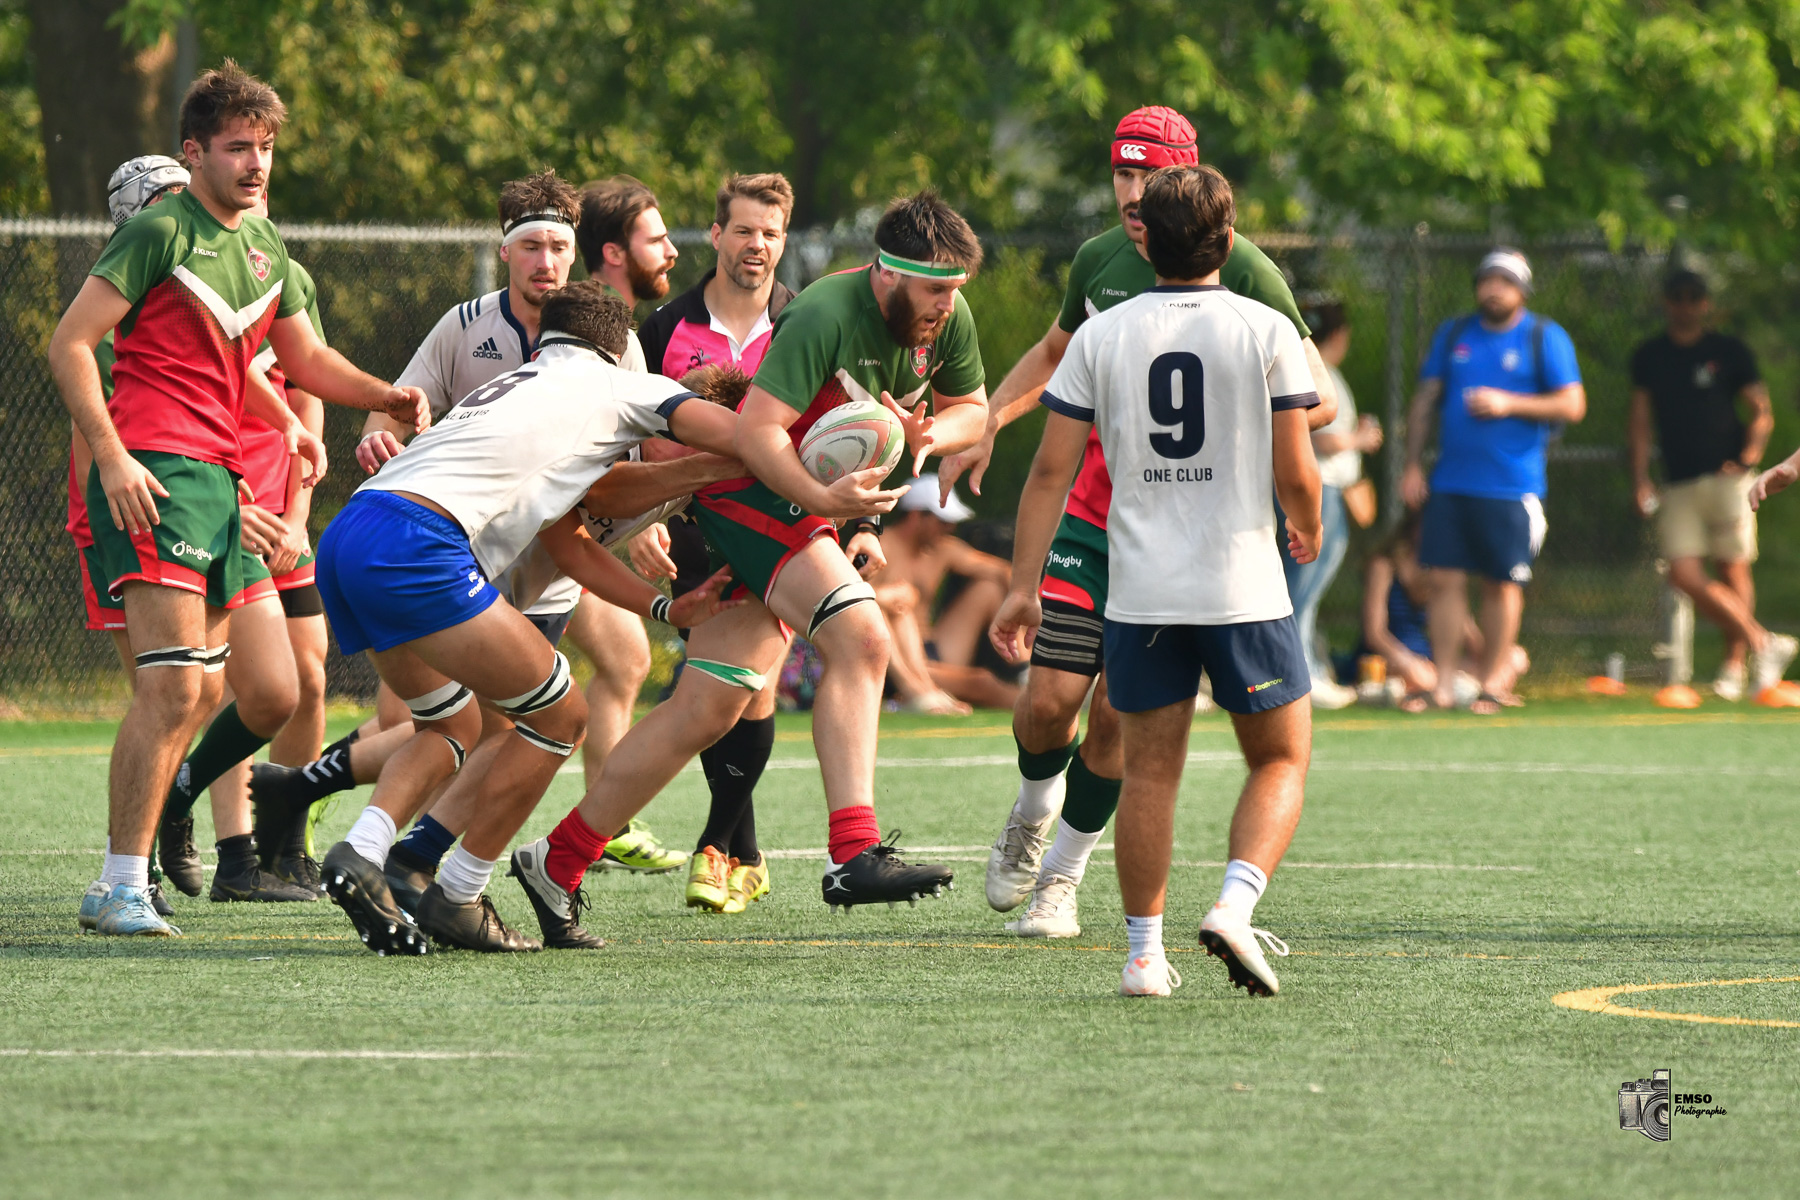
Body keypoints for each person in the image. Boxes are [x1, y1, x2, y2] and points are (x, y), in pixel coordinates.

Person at [509, 189, 987, 937]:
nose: (945, 308)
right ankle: (853, 851)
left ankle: (556, 859)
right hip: (749, 492)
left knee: (706, 706)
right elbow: (759, 436)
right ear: (887, 275)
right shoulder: (826, 315)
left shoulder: (945, 314)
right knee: (862, 637)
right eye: (934, 292)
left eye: (955, 293)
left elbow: (975, 408)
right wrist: (826, 501)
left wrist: (926, 440)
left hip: (799, 498)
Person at [47, 61, 428, 938]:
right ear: (194, 153)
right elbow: (72, 343)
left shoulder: (266, 250)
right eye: (236, 149)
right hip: (159, 471)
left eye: (264, 149)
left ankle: (177, 801)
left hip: (224, 482)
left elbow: (305, 364)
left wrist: (386, 394)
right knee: (176, 688)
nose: (255, 165)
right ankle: (118, 882)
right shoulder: (160, 231)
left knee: (271, 691)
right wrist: (111, 458)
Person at [973, 105, 1332, 942]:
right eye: (1121, 176)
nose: (1132, 195)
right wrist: (988, 418)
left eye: (1147, 177)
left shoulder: (1240, 269)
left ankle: (1060, 878)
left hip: (1192, 533)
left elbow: (1313, 400)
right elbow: (1055, 356)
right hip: (1099, 520)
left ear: (1184, 177)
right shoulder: (1100, 260)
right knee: (1048, 702)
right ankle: (1032, 809)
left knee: (1116, 726)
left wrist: (1226, 425)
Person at [313, 283, 742, 954]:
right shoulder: (624, 388)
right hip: (423, 546)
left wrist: (663, 603)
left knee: (457, 724)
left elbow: (574, 542)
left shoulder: (528, 379)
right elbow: (742, 437)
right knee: (564, 717)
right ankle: (458, 894)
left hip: (352, 530)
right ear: (618, 350)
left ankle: (368, 851)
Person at [155, 184, 332, 909]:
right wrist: (240, 507)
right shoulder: (181, 292)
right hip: (226, 506)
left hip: (279, 509)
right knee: (228, 685)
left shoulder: (285, 274)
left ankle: (288, 842)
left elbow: (309, 394)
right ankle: (235, 853)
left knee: (308, 679)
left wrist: (297, 513)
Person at [636, 173, 797, 913]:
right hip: (695, 532)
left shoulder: (803, 324)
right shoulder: (664, 328)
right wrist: (642, 523)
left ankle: (714, 845)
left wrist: (861, 531)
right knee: (727, 694)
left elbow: (836, 433)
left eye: (770, 232)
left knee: (745, 685)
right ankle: (749, 855)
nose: (756, 245)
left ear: (782, 240)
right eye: (743, 230)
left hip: (781, 529)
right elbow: (632, 435)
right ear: (717, 236)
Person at [70, 154, 189, 930]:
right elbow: (92, 424)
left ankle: (137, 861)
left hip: (191, 506)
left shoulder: (192, 296)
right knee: (166, 686)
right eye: (167, 201)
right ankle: (127, 871)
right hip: (126, 514)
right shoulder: (121, 302)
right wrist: (91, 521)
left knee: (195, 689)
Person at [1399, 247, 1585, 715]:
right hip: (1450, 483)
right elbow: (1426, 400)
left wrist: (1510, 403)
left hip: (1510, 487)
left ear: (1522, 290)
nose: (1494, 289)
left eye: (1505, 282)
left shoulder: (1544, 337)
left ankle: (1492, 684)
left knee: (1501, 585)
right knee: (1442, 579)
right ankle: (1443, 684)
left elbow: (1572, 405)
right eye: (1487, 280)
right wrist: (1413, 464)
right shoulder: (1455, 333)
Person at [1628, 269, 1794, 705]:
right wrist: (1640, 475)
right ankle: (1764, 643)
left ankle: (1734, 668)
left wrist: (1747, 460)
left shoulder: (1728, 351)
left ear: (1705, 303)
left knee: (1732, 568)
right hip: (1678, 482)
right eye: (1677, 296)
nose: (1685, 304)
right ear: (1666, 302)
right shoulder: (1651, 355)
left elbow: (1760, 409)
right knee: (1683, 572)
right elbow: (1641, 421)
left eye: (1693, 297)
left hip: (1727, 479)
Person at [1283, 296, 1381, 709]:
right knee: (1302, 587)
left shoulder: (1302, 366)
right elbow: (1321, 437)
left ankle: (1303, 666)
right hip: (1319, 488)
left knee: (1306, 585)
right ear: (1338, 334)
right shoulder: (1317, 371)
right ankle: (1297, 670)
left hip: (1322, 488)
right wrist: (1361, 439)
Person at [1353, 511, 1528, 709]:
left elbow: (1471, 638)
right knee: (1422, 677)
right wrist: (1407, 663)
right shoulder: (1384, 565)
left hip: (1432, 665)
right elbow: (1375, 634)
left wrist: (1504, 661)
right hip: (1390, 659)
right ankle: (1395, 691)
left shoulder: (1444, 572)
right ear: (1414, 526)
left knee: (1512, 658)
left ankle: (1428, 693)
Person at [873, 475, 1017, 712]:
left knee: (989, 588)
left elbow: (1003, 571)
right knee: (981, 682)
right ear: (916, 515)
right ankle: (1047, 707)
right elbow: (851, 597)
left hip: (932, 646)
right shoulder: (880, 546)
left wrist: (1031, 602)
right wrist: (890, 595)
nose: (950, 528)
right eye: (943, 521)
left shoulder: (944, 548)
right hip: (893, 655)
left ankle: (1026, 670)